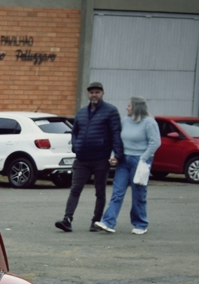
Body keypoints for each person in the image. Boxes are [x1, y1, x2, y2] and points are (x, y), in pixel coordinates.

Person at [57, 80, 124, 233]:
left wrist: (117, 154)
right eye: (91, 92)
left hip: (101, 158)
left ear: (103, 93)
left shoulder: (111, 111)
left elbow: (116, 133)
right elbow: (75, 132)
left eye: (97, 92)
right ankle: (67, 219)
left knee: (100, 192)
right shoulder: (81, 112)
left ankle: (96, 221)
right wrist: (76, 146)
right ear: (88, 94)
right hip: (82, 158)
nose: (94, 95)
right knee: (75, 189)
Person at [96, 96, 160, 235]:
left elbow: (155, 142)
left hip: (140, 161)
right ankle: (108, 222)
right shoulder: (125, 121)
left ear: (137, 107)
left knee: (138, 195)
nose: (127, 108)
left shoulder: (149, 122)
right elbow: (118, 140)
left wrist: (143, 158)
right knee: (117, 192)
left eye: (129, 106)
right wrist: (114, 154)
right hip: (124, 161)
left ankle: (140, 224)